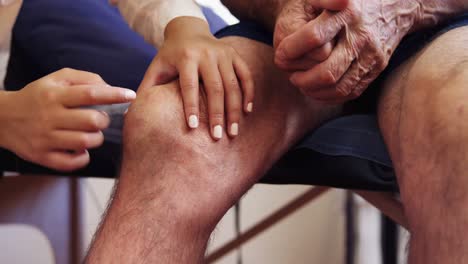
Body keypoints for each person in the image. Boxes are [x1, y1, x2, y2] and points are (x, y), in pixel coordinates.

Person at [85, 1, 468, 264]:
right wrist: (282, 6)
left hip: (447, 24)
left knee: (459, 118)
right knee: (172, 122)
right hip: (289, 34)